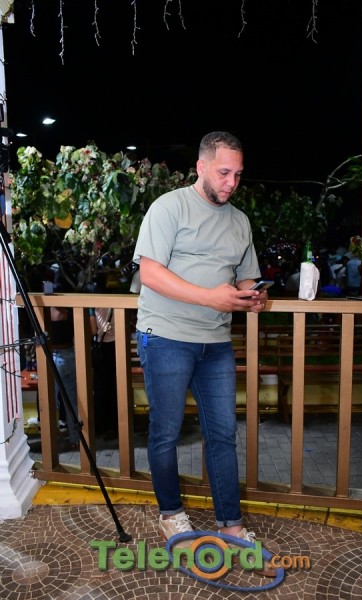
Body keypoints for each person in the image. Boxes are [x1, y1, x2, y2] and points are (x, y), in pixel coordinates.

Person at [133, 131, 267, 546]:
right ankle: (171, 515)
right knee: (166, 433)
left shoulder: (240, 221)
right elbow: (150, 273)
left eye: (238, 175)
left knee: (223, 434)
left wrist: (254, 295)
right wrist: (211, 297)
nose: (231, 182)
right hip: (166, 336)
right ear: (201, 167)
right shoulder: (169, 207)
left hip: (216, 342)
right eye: (224, 172)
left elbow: (245, 276)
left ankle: (231, 524)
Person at [50, 306, 80, 450]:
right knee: (71, 401)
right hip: (68, 352)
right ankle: (75, 439)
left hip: (51, 354)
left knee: (50, 401)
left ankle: (50, 440)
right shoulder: (69, 309)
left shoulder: (42, 310)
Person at [89, 307, 118, 438]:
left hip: (101, 347)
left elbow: (93, 330)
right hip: (116, 345)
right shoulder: (115, 303)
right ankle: (113, 425)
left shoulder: (93, 306)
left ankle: (101, 425)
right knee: (114, 387)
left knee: (100, 388)